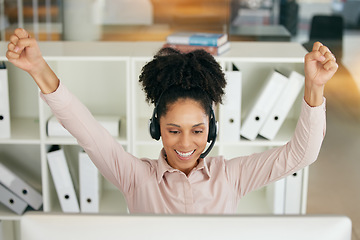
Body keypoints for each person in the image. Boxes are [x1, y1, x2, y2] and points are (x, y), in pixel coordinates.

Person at [6, 28, 338, 214]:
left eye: (197, 130)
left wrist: (315, 86)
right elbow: (86, 130)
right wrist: (38, 69)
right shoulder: (135, 177)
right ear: (156, 128)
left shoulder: (232, 176)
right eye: (173, 130)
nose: (185, 143)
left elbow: (302, 154)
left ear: (211, 127)